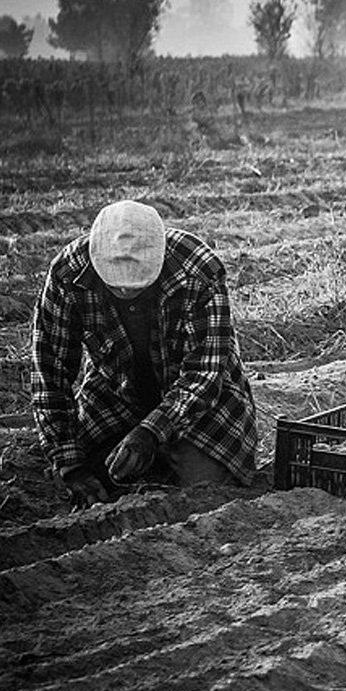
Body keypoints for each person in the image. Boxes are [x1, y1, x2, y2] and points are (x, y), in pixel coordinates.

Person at [31, 199, 258, 508]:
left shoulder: (198, 268)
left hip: (199, 403)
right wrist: (69, 464)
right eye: (116, 285)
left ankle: (168, 451)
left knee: (203, 492)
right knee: (100, 475)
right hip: (116, 395)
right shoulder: (67, 275)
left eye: (136, 285)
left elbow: (204, 373)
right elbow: (49, 374)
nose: (125, 292)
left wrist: (150, 432)